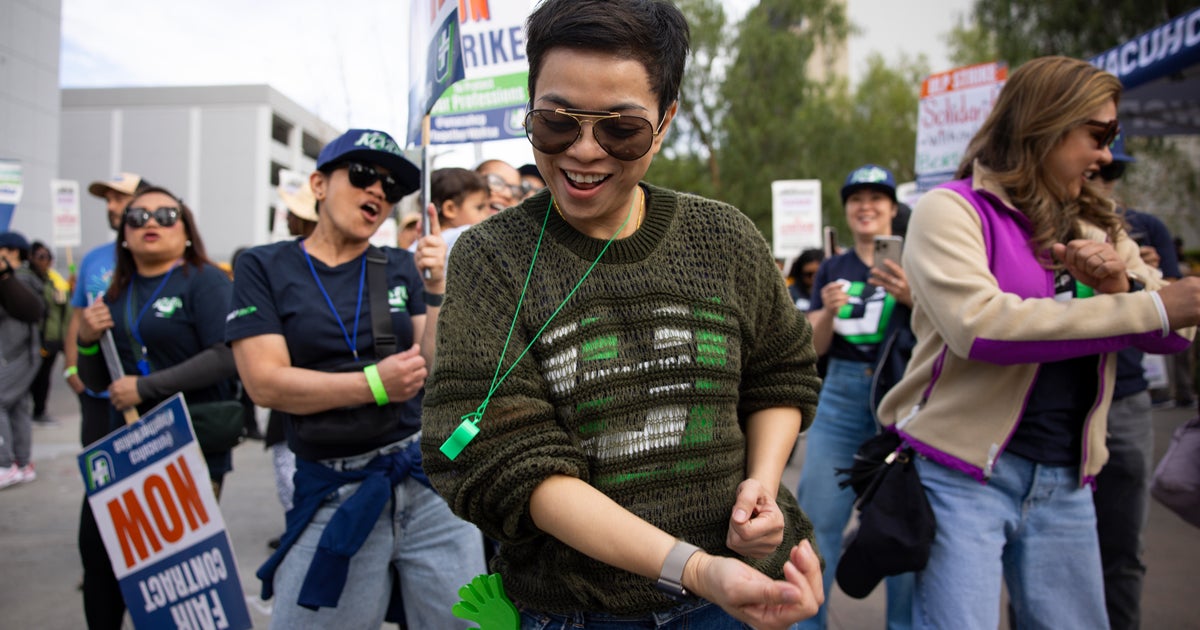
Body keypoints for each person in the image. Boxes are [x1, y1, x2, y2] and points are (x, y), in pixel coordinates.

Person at [420, 2, 825, 628]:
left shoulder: (722, 237)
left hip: (746, 586)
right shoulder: (491, 257)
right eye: (556, 123)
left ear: (665, 121)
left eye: (621, 129)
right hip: (582, 611)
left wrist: (763, 486)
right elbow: (504, 459)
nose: (584, 151)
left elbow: (780, 373)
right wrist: (693, 567)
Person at [875, 56, 1200, 629]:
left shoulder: (1099, 225)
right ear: (1044, 125)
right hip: (961, 476)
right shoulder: (950, 209)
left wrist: (1122, 287)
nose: (1106, 155)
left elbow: (1177, 333)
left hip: (1068, 478)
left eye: (1112, 137)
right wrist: (1142, 306)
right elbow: (981, 327)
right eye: (1098, 135)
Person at [227, 128, 484, 629]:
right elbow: (265, 384)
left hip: (423, 483)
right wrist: (373, 384)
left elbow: (430, 367)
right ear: (319, 185)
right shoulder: (265, 266)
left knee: (468, 622)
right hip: (335, 490)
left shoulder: (398, 266)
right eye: (364, 175)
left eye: (390, 187)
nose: (377, 192)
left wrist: (437, 289)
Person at [75, 186, 238, 629]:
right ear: (124, 235)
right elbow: (97, 382)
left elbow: (226, 355)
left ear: (186, 231)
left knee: (175, 573)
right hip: (122, 448)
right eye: (138, 216)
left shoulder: (204, 280)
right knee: (98, 558)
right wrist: (86, 342)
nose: (151, 222)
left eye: (166, 215)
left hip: (187, 445)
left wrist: (145, 387)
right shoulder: (115, 292)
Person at [794, 165, 914, 630]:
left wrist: (911, 296)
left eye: (876, 198)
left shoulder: (915, 260)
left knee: (902, 527)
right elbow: (814, 346)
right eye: (856, 199)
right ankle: (810, 623)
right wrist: (826, 311)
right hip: (840, 399)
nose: (866, 207)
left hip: (903, 397)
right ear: (846, 210)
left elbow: (943, 328)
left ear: (892, 208)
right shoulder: (833, 267)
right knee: (818, 522)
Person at [1092, 133, 1182, 630]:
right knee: (1043, 550)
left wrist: (1139, 280)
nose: (1101, 178)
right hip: (1058, 403)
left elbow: (1176, 316)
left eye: (1112, 171)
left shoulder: (1143, 228)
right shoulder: (1040, 229)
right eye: (1093, 169)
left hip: (1125, 396)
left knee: (1123, 545)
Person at [65, 172, 150, 447]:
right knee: (100, 469)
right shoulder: (93, 258)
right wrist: (72, 369)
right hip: (98, 393)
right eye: (108, 200)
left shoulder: (157, 257)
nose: (111, 207)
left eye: (119, 198)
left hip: (149, 392)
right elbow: (79, 316)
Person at [0, 231, 44, 488]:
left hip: (20, 354)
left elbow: (31, 311)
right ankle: (22, 462)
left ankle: (5, 464)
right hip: (16, 354)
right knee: (16, 406)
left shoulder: (20, 280)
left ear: (12, 252)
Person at [27, 241, 72, 424]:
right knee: (31, 377)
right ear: (31, 258)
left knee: (44, 377)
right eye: (41, 257)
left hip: (52, 338)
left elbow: (64, 307)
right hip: (36, 339)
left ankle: (39, 411)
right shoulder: (29, 280)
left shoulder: (54, 280)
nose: (46, 261)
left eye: (48, 257)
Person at [428, 167, 489, 257]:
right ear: (450, 209)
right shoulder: (467, 236)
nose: (487, 215)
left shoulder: (420, 244)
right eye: (479, 208)